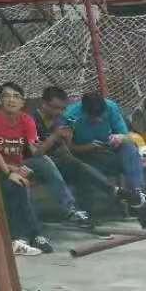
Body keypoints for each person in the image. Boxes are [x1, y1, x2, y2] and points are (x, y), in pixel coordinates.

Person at [0, 81, 55, 254]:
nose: (11, 100)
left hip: (17, 167)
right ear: (0, 100)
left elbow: (34, 150)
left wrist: (53, 137)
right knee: (19, 185)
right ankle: (29, 236)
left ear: (22, 102)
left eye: (16, 96)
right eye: (6, 96)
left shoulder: (26, 119)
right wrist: (11, 170)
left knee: (44, 163)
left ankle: (71, 209)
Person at [27, 86, 104, 225]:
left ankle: (86, 214)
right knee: (48, 162)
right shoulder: (31, 120)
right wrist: (55, 136)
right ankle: (71, 210)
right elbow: (37, 153)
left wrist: (67, 140)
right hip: (35, 164)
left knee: (78, 168)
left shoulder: (60, 120)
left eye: (62, 108)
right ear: (44, 103)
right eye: (55, 108)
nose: (59, 112)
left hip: (57, 162)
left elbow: (65, 150)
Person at [63, 91, 146, 208]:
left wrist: (119, 138)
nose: (98, 120)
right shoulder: (70, 116)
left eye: (101, 116)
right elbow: (67, 149)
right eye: (93, 117)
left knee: (129, 147)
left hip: (108, 151)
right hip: (85, 156)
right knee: (79, 167)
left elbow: (125, 136)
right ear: (84, 111)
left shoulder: (111, 107)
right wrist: (88, 147)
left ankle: (137, 192)